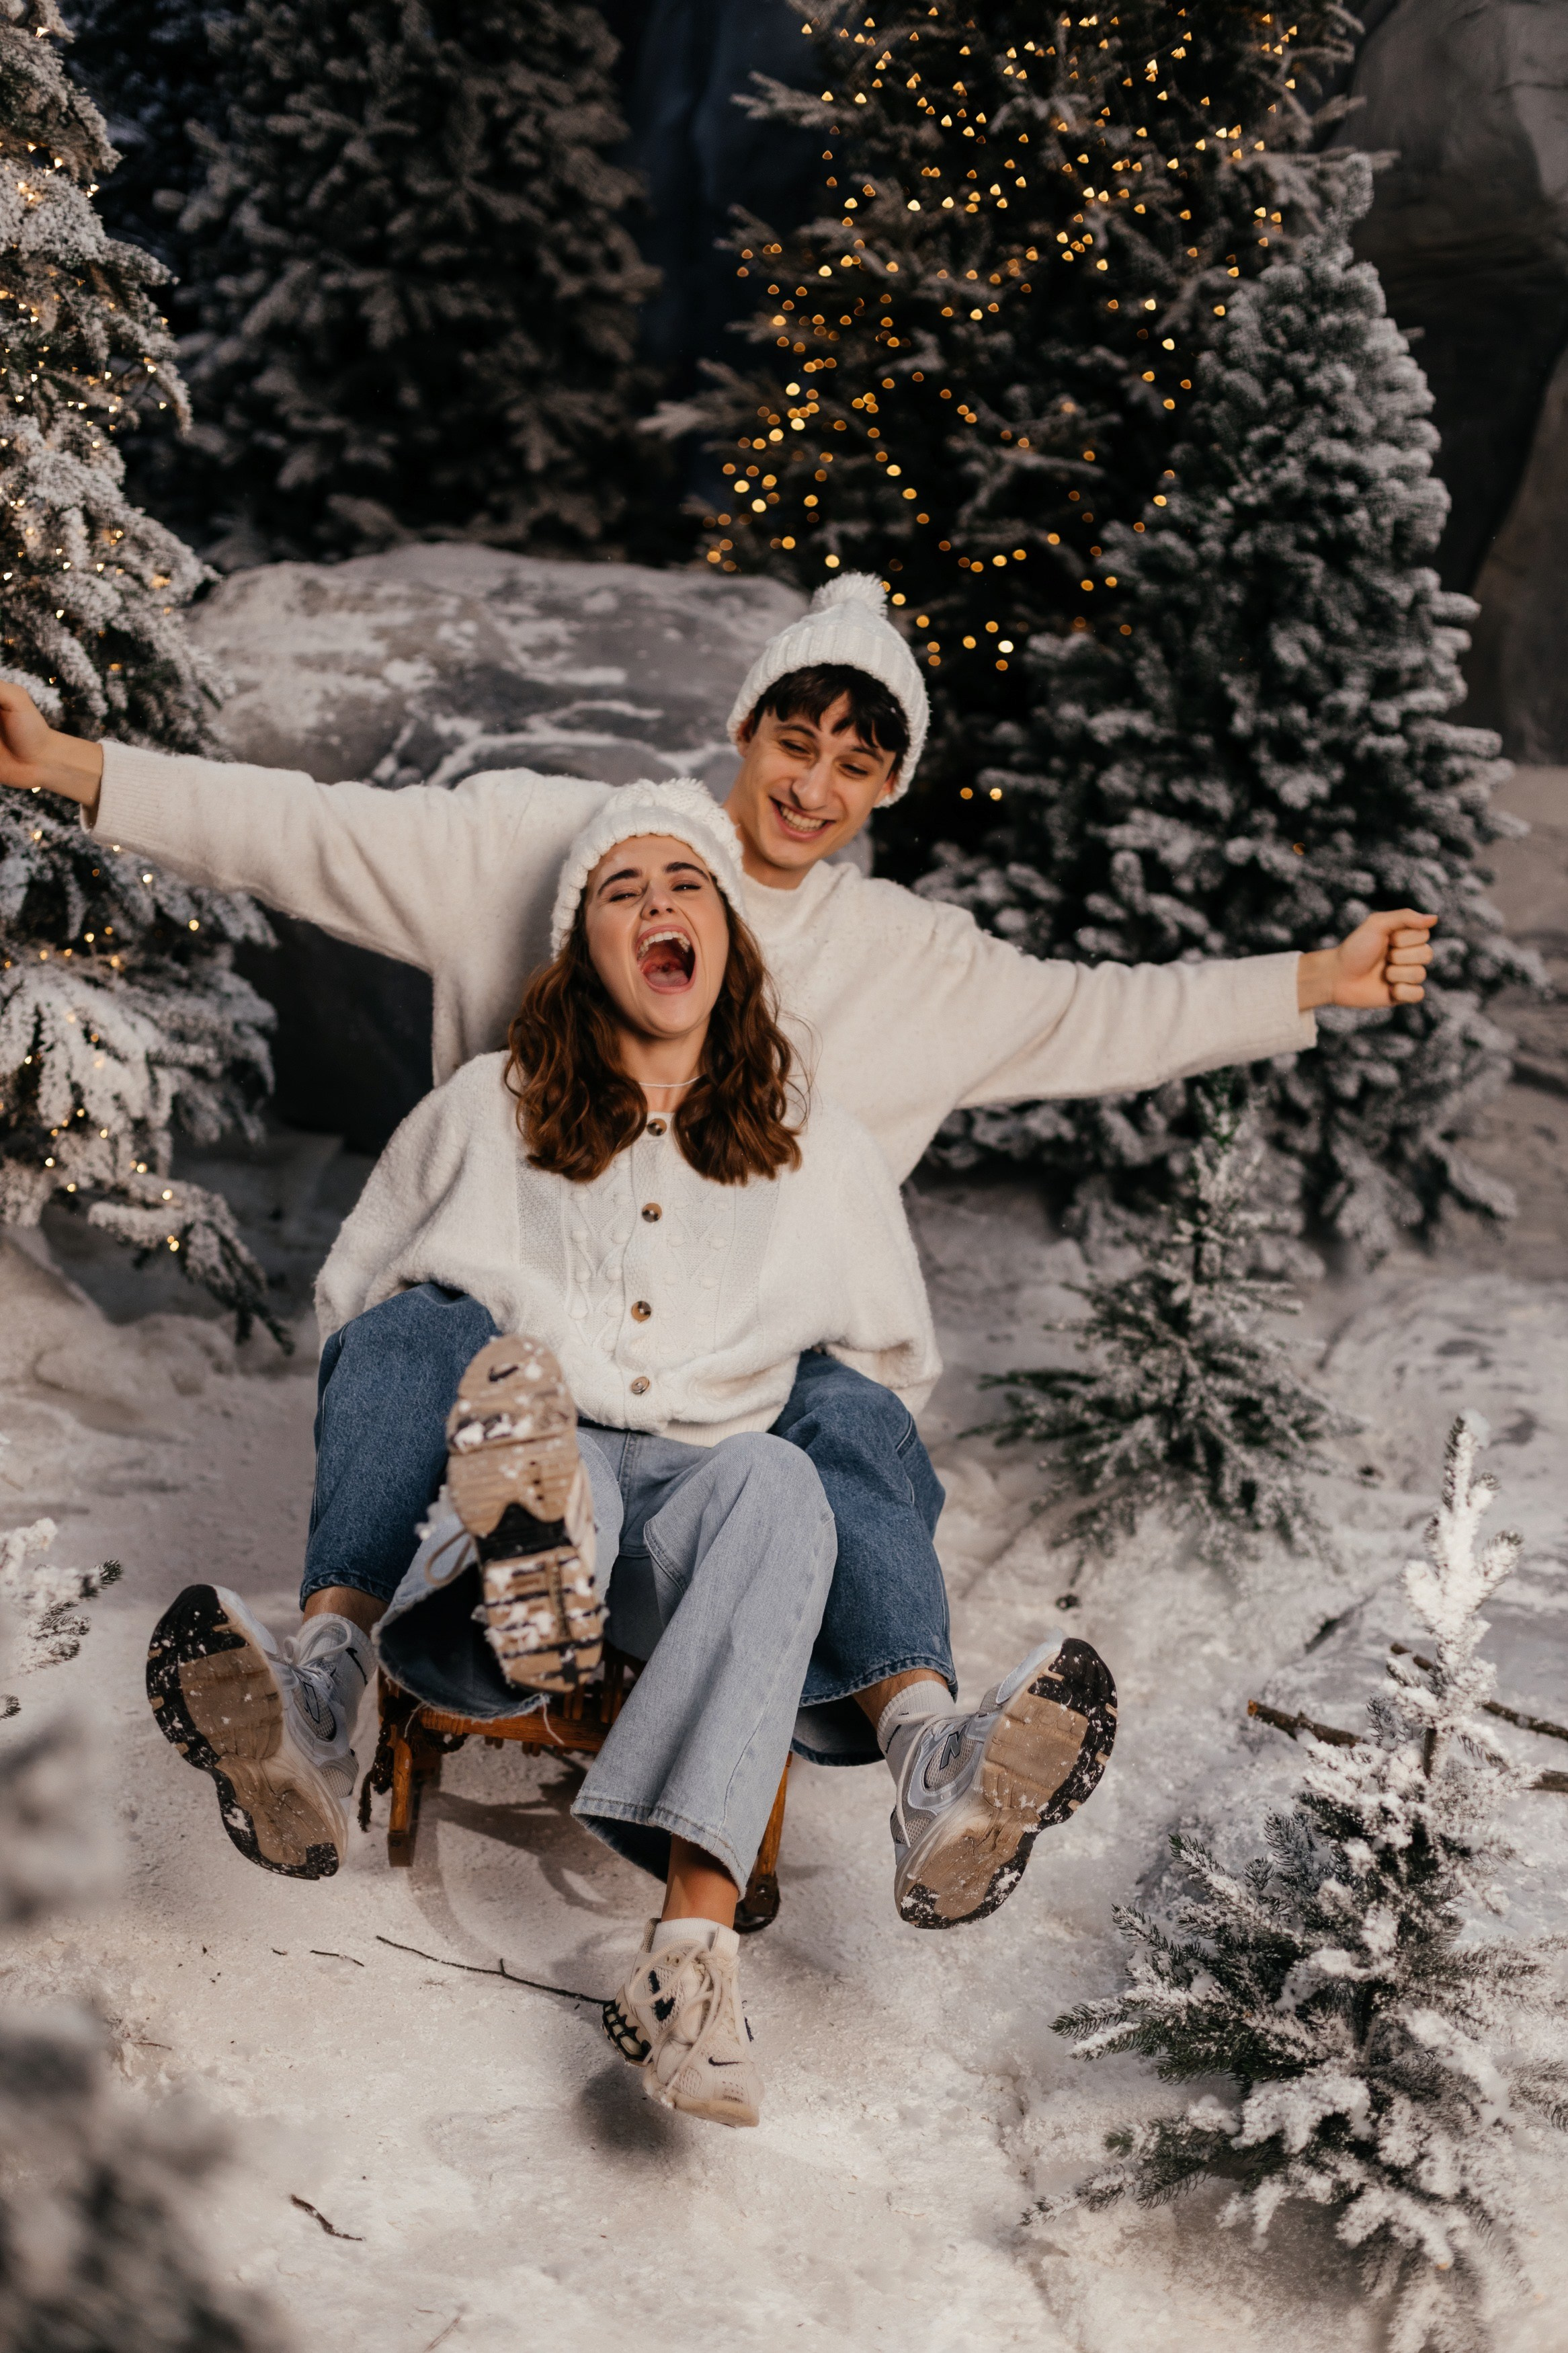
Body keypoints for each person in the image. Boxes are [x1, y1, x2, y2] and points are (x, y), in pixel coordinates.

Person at [0, 571, 1435, 1857]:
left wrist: (1320, 979)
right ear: (746, 730)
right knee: (415, 1317)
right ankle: (334, 1669)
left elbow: (1103, 1010)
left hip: (739, 1392)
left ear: (887, 790)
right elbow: (302, 830)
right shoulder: (564, 850)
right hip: (537, 1339)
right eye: (794, 742)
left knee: (851, 1407)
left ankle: (926, 1746)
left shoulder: (908, 963)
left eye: (856, 765)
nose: (812, 787)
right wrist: (69, 764)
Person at [145, 783, 1118, 2127]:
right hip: (531, 1478)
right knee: (436, 1342)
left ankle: (696, 1956)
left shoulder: (816, 1145)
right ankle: (334, 1682)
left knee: (793, 1463)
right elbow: (358, 1323)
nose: (662, 904)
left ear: (729, 940)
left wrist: (783, 1428)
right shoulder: (490, 1107)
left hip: (708, 1515)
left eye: (688, 885)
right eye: (624, 889)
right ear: (579, 950)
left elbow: (890, 1370)